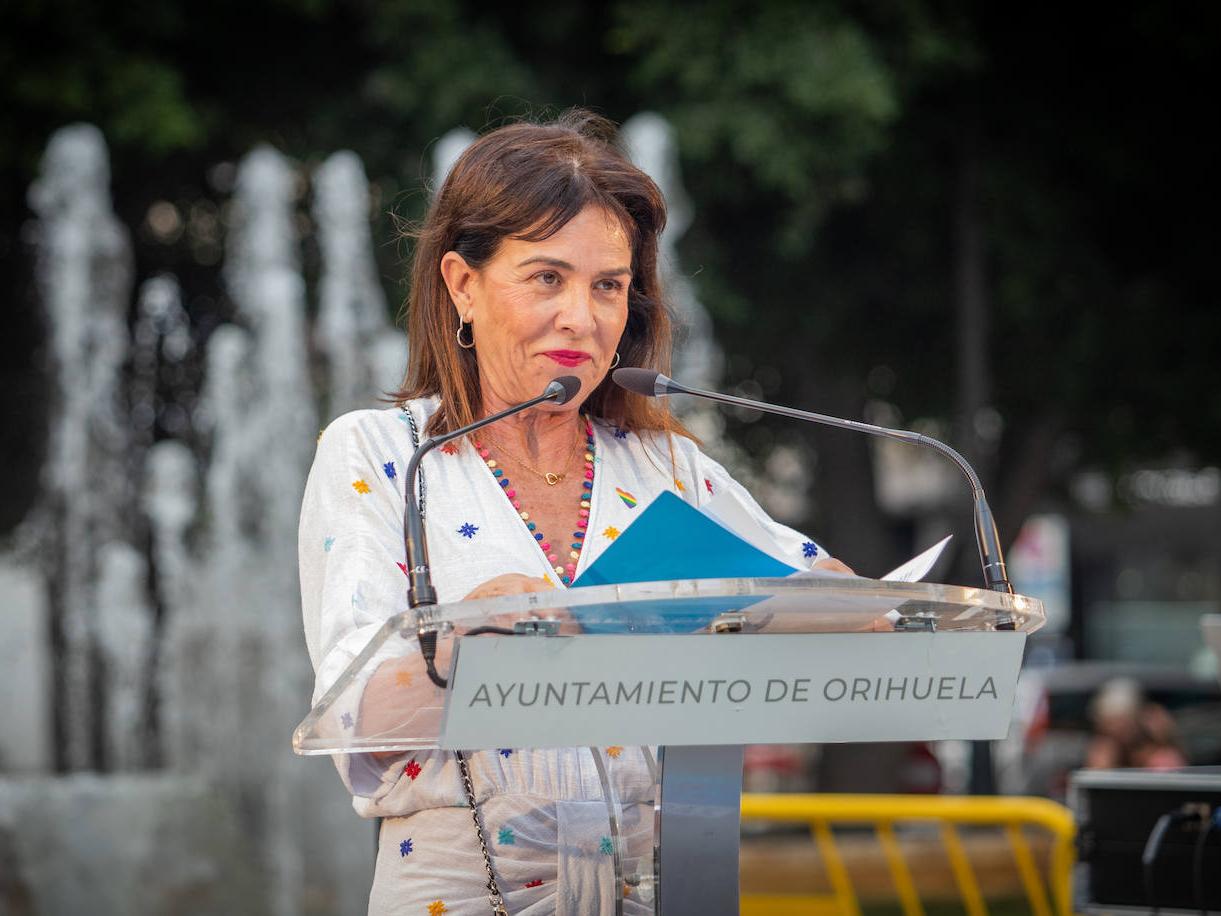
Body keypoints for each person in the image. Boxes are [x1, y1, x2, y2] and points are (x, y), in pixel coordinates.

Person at [299, 110, 850, 915]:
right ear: (462, 284)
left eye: (609, 286)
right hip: (460, 890)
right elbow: (353, 711)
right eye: (547, 278)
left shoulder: (666, 465)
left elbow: (813, 587)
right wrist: (469, 637)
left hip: (659, 886)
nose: (582, 319)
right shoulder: (385, 456)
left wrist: (877, 609)